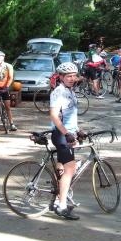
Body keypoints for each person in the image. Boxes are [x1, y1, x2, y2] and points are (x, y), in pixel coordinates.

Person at [49, 62, 84, 221]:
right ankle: (61, 206)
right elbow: (55, 116)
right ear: (61, 77)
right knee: (71, 169)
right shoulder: (58, 92)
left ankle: (56, 199)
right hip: (61, 135)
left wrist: (77, 130)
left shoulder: (71, 91)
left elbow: (69, 115)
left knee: (62, 168)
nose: (72, 79)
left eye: (74, 76)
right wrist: (67, 133)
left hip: (68, 132)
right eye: (68, 76)